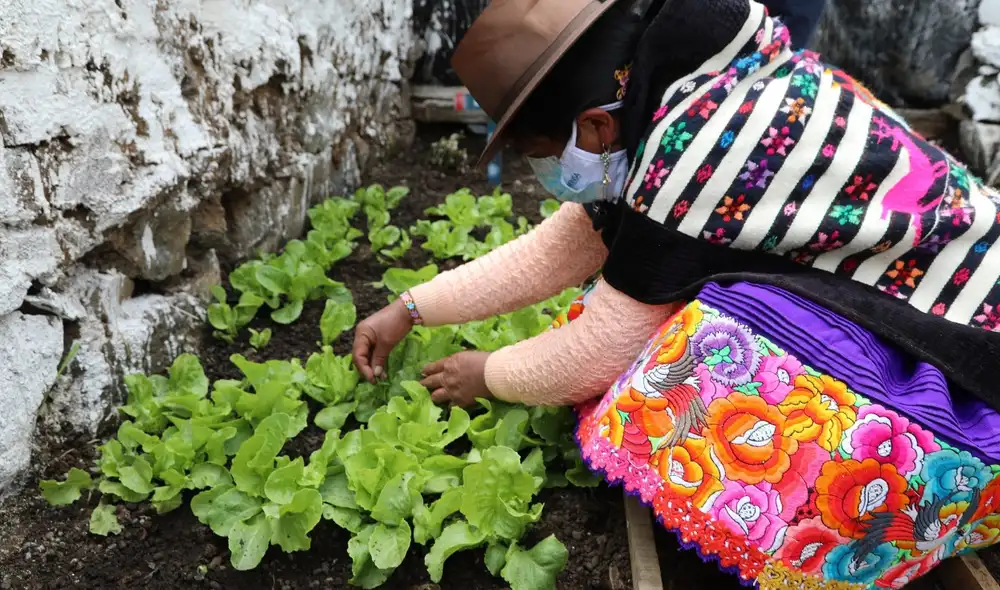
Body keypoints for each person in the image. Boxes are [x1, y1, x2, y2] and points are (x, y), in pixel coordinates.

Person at [353, 0, 1000, 588]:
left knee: (699, 355)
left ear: (596, 129)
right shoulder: (693, 93)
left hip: (972, 373)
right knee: (650, 309)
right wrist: (413, 307)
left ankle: (812, 539)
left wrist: (486, 374)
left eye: (539, 153)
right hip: (935, 318)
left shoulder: (697, 144)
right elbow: (570, 244)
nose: (544, 172)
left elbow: (600, 347)